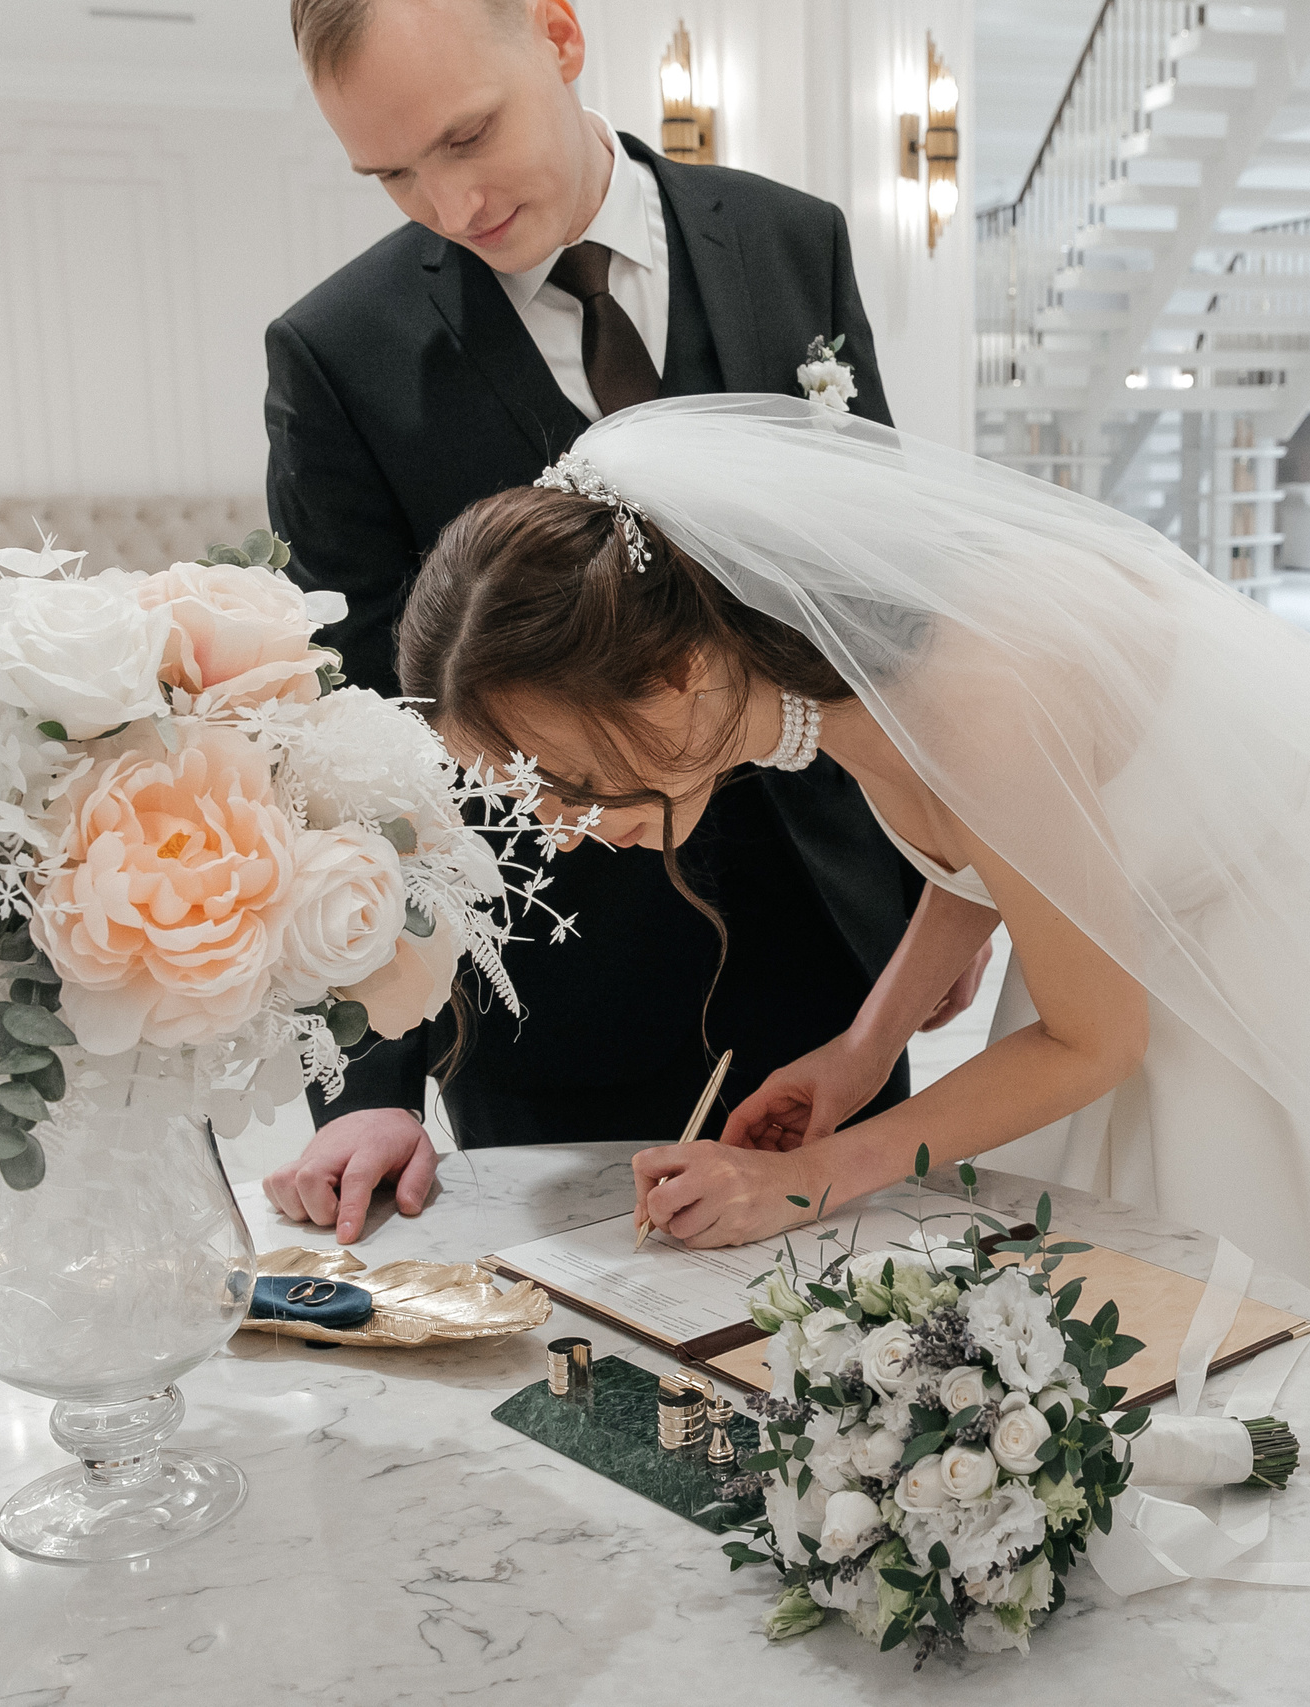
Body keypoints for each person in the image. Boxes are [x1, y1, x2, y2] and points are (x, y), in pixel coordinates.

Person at [395, 395, 1310, 1707]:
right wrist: (864, 1047)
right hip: (1160, 933)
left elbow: (1092, 1033)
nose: (562, 824)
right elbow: (994, 841)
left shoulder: (972, 681)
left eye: (565, 779)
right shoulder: (818, 661)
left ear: (677, 674)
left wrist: (816, 1177)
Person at [257, 0, 981, 1241]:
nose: (449, 203)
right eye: (392, 174)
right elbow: (363, 744)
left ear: (556, 32)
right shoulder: (338, 353)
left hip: (828, 947)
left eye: (468, 136)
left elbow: (876, 586)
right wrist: (369, 1086)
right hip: (558, 984)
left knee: (857, 1321)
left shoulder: (788, 240)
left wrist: (941, 877)